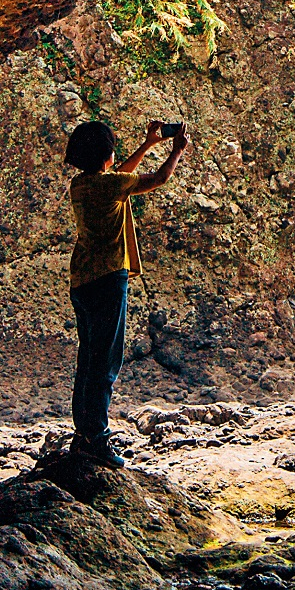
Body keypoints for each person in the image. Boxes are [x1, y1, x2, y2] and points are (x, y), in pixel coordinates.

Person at [62, 116, 187, 466]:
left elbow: (119, 174)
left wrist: (148, 145)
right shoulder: (109, 186)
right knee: (105, 364)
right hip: (107, 280)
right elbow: (159, 178)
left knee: (88, 362)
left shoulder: (83, 184)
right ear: (106, 156)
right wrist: (175, 151)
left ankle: (83, 435)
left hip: (82, 280)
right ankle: (97, 440)